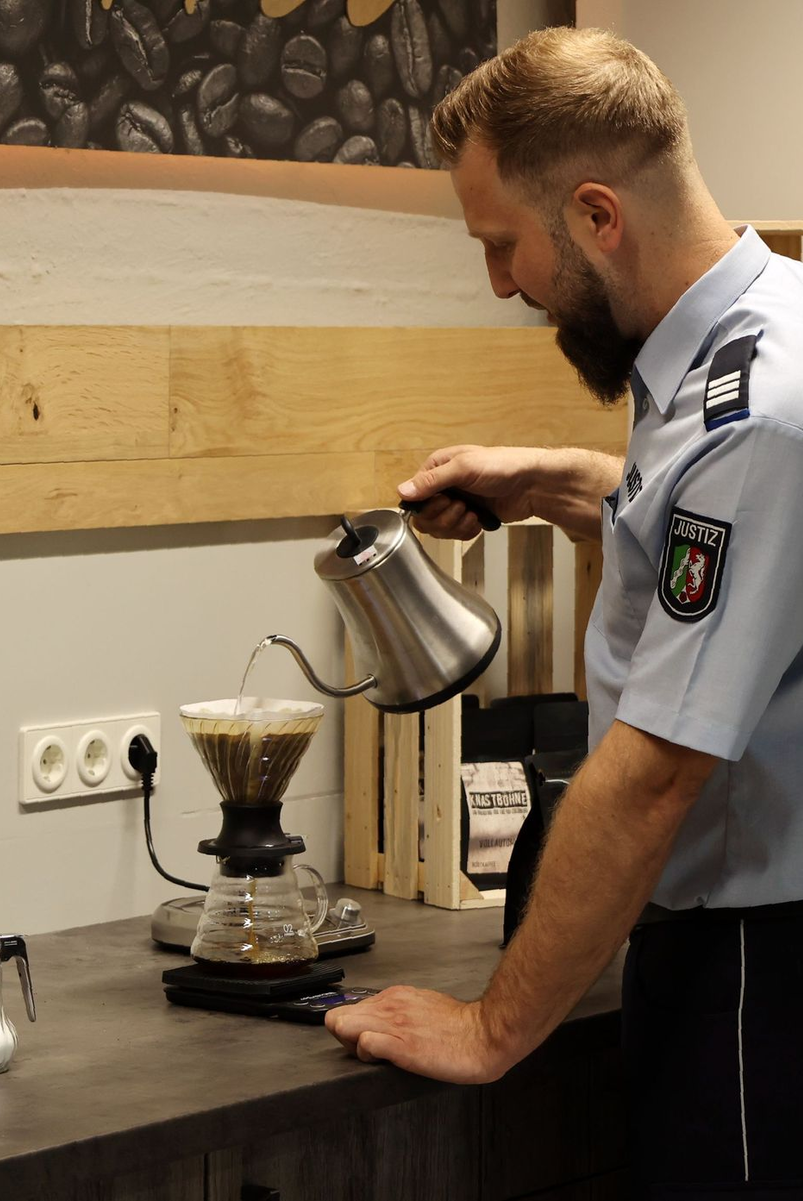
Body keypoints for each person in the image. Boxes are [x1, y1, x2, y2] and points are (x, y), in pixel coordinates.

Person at [324, 26, 803, 1198]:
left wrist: (492, 1028)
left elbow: (653, 771)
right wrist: (556, 483)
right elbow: (726, 546)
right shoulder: (764, 329)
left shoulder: (757, 421)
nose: (499, 283)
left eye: (502, 243)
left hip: (760, 968)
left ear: (597, 216)